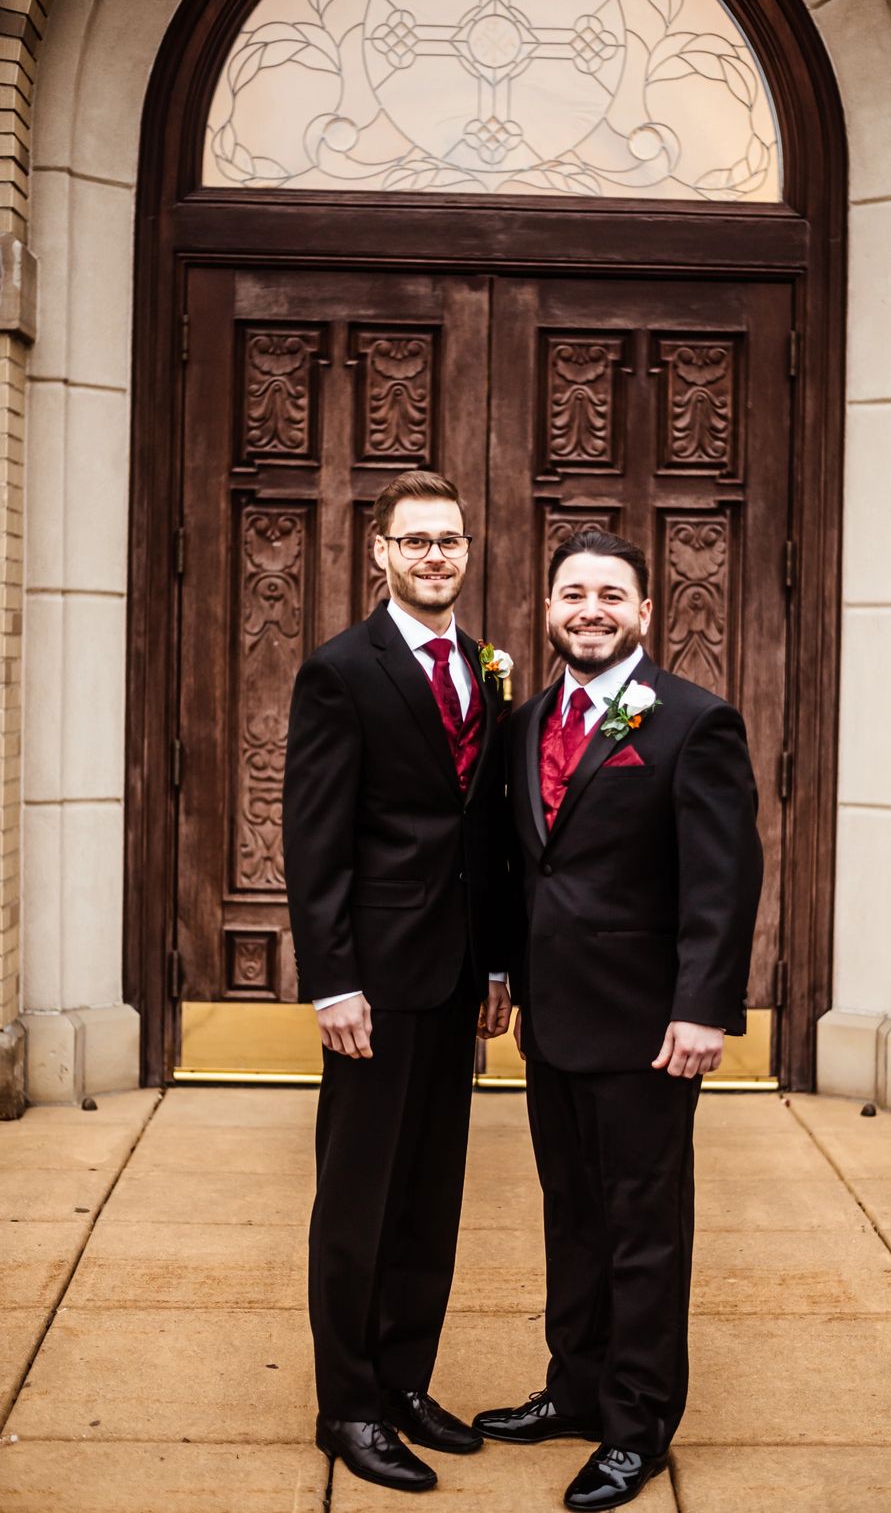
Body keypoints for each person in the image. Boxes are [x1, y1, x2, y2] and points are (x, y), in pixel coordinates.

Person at [474, 529, 762, 1511]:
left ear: (645, 612)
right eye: (571, 594)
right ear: (548, 611)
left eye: (610, 594)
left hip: (650, 1029)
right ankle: (576, 1389)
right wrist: (504, 968)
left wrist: (702, 1009)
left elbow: (723, 883)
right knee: (574, 1219)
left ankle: (637, 1429)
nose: (588, 609)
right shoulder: (527, 722)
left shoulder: (694, 721)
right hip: (552, 1024)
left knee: (644, 1232)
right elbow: (524, 866)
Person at [283, 469, 512, 1494]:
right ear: (378, 551)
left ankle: (407, 1379)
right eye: (415, 541)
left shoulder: (483, 666)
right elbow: (315, 835)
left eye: (450, 541)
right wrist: (332, 980)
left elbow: (491, 831)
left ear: (467, 551)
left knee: (430, 1190)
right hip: (372, 981)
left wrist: (500, 957)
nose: (434, 557)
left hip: (457, 973)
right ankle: (348, 1405)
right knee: (359, 1197)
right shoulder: (341, 671)